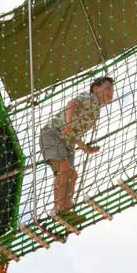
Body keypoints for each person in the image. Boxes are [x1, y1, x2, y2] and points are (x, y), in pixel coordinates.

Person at [39, 76, 114, 224]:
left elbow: (76, 133)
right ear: (96, 88)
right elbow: (71, 104)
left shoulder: (96, 111)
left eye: (112, 90)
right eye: (108, 88)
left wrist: (85, 148)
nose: (111, 92)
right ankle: (60, 210)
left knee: (71, 174)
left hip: (68, 144)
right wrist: (68, 124)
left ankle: (64, 210)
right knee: (65, 170)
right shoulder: (90, 98)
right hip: (54, 134)